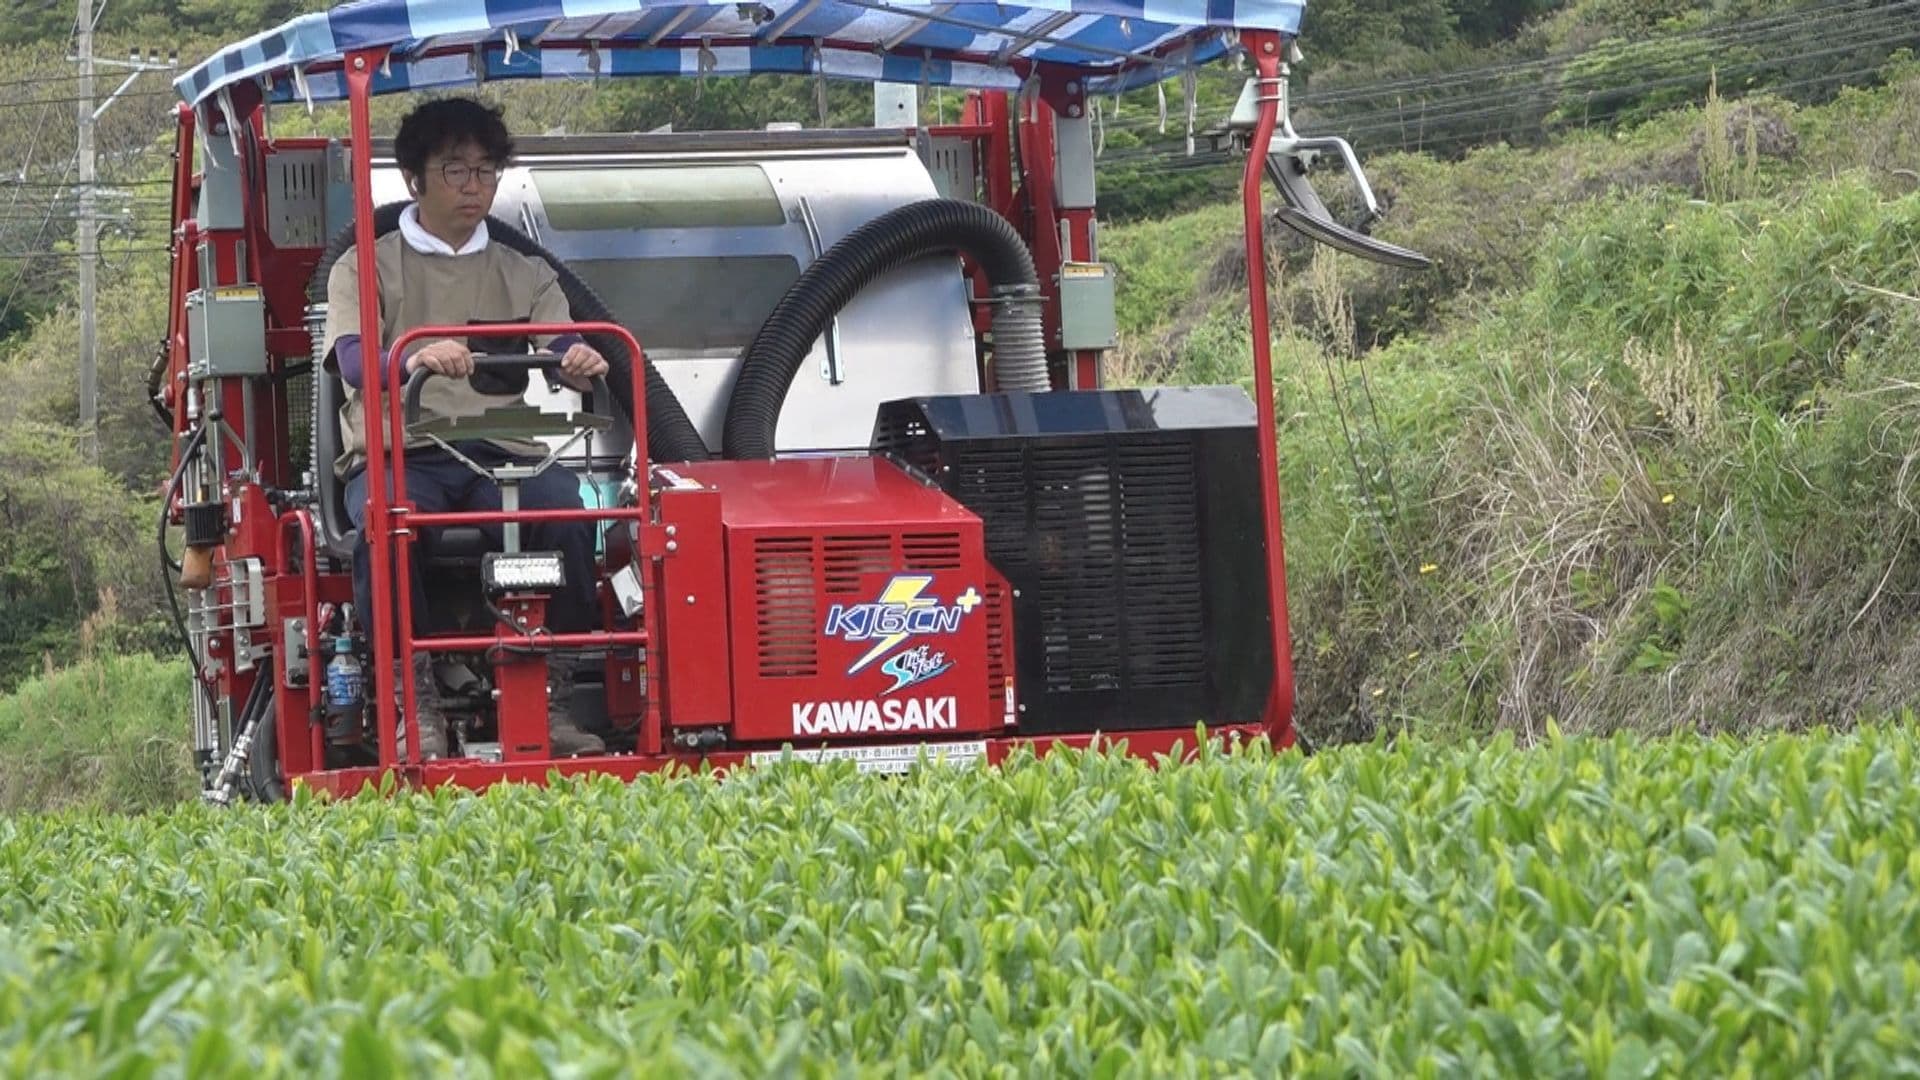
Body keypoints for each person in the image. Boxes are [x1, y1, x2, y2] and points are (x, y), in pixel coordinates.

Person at [321, 96, 607, 759]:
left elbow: (561, 344)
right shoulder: (365, 266)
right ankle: (412, 703)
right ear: (414, 179)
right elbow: (355, 361)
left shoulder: (527, 272)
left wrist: (579, 360)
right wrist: (413, 356)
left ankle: (553, 698)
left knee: (567, 508)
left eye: (486, 171)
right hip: (404, 452)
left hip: (503, 452)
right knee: (385, 521)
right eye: (455, 170)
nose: (474, 186)